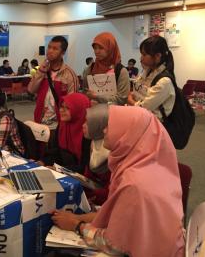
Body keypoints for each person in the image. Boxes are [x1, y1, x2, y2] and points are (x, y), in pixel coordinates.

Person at [50, 105, 185, 257]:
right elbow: (117, 213)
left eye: (110, 126)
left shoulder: (134, 183)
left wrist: (77, 225)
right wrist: (77, 218)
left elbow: (115, 245)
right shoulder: (151, 165)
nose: (104, 131)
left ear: (130, 134)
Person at [28, 35, 78, 137]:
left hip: (58, 125)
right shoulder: (42, 70)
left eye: (55, 48)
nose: (50, 51)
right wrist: (41, 71)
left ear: (63, 52)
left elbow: (73, 104)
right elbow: (31, 90)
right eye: (49, 47)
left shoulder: (69, 74)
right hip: (40, 122)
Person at [127, 36, 176, 121]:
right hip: (141, 117)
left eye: (144, 54)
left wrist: (130, 99)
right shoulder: (147, 71)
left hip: (153, 124)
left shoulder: (164, 82)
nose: (141, 58)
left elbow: (143, 107)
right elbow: (136, 91)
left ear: (157, 56)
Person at [39, 93, 91, 173]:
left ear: (78, 110)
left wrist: (60, 170)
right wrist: (44, 162)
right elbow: (57, 151)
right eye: (61, 106)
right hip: (65, 172)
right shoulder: (63, 126)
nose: (61, 110)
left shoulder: (88, 131)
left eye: (67, 108)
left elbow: (85, 167)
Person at [83, 32, 130, 106]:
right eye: (95, 48)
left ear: (111, 48)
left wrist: (97, 97)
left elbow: (122, 99)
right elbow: (85, 92)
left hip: (114, 114)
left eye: (101, 48)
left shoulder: (120, 71)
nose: (96, 51)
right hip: (92, 113)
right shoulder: (90, 69)